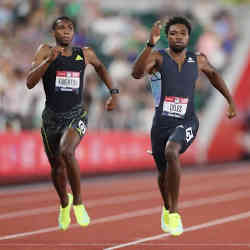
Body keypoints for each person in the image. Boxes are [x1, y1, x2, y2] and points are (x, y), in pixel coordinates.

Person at [131, 16, 236, 236]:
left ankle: (175, 212)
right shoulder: (158, 57)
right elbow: (136, 73)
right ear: (167, 37)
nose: (178, 37)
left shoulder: (197, 59)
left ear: (189, 37)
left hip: (187, 120)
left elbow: (215, 75)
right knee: (162, 173)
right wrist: (149, 44)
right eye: (173, 33)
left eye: (182, 33)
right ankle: (167, 208)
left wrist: (229, 100)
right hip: (161, 123)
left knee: (172, 152)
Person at [26, 16, 119, 231]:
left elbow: (102, 68)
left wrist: (113, 93)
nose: (66, 32)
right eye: (61, 28)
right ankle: (64, 203)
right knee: (57, 167)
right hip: (51, 118)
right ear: (54, 33)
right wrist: (48, 61)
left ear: (74, 32)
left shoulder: (84, 53)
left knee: (67, 151)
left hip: (76, 114)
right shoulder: (44, 51)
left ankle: (78, 202)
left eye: (70, 28)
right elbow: (30, 82)